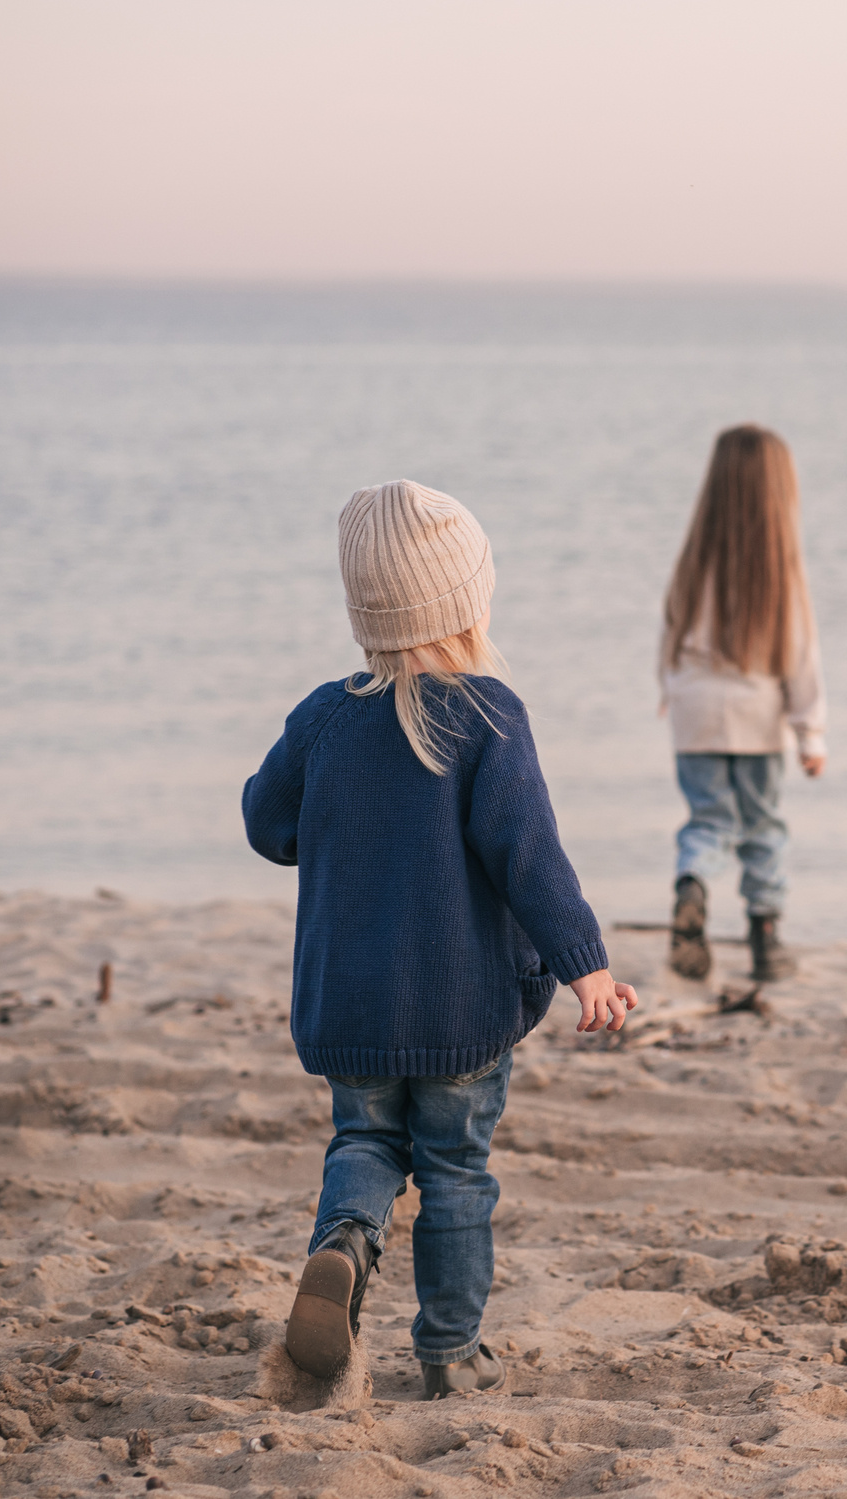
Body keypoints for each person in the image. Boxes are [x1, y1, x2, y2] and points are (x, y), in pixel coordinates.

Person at [243, 479, 636, 1398]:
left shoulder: (324, 716)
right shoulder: (489, 714)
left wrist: (329, 836)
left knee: (364, 1141)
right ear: (468, 602)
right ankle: (451, 1353)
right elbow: (530, 857)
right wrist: (588, 966)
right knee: (457, 1168)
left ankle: (345, 1237)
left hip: (351, 999)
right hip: (461, 1006)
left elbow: (267, 822)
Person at [658, 425, 828, 985]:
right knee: (762, 827)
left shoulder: (692, 560)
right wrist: (811, 734)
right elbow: (801, 657)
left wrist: (669, 690)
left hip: (694, 715)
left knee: (708, 820)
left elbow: (671, 633)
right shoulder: (781, 569)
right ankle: (766, 940)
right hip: (757, 721)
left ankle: (693, 884)